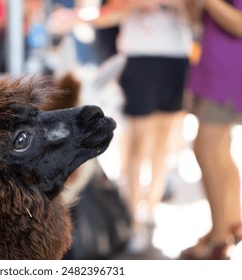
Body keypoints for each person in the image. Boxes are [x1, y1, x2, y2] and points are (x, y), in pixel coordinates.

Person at [50, 0, 194, 254]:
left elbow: (195, 13)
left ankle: (149, 210)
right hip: (139, 56)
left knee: (162, 141)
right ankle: (134, 218)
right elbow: (114, 11)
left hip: (176, 57)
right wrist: (77, 18)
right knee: (140, 140)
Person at [180, 0, 242, 260]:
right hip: (212, 67)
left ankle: (219, 240)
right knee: (219, 151)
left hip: (228, 72)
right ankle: (232, 222)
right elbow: (194, 18)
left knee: (205, 151)